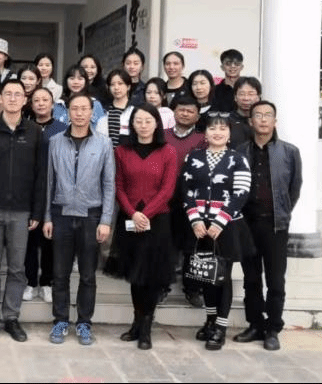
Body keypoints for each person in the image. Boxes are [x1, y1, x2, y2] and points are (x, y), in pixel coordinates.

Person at [0, 79, 45, 343]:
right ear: (0, 99)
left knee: (17, 268)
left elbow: (41, 176)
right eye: (8, 94)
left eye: (18, 94)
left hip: (22, 212)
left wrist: (37, 212)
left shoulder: (35, 132)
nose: (13, 98)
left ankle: (11, 317)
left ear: (25, 100)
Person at [104, 103, 178, 351]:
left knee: (152, 276)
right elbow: (118, 186)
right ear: (132, 125)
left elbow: (168, 189)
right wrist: (133, 213)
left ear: (157, 123)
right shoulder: (122, 151)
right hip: (130, 218)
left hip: (157, 220)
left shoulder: (168, 151)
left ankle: (146, 327)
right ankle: (136, 323)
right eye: (139, 121)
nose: (144, 125)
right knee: (135, 274)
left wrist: (145, 214)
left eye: (148, 121)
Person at [43, 92, 115, 346]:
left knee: (87, 275)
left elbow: (109, 184)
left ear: (92, 113)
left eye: (85, 108)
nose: (80, 113)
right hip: (61, 214)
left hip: (91, 216)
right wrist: (47, 216)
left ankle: (84, 322)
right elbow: (49, 182)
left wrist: (105, 220)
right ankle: (61, 320)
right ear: (68, 112)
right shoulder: (55, 142)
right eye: (75, 108)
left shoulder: (104, 143)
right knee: (60, 274)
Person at [182, 112, 253, 351]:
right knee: (206, 275)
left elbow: (241, 193)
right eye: (213, 128)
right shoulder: (193, 157)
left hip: (227, 227)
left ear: (230, 133)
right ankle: (210, 320)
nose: (217, 132)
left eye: (223, 128)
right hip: (200, 227)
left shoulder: (238, 159)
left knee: (222, 277)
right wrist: (195, 220)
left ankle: (221, 327)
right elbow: (186, 190)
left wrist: (220, 221)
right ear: (205, 133)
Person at [235, 101, 302, 351]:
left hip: (275, 226)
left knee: (275, 280)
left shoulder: (289, 152)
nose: (263, 119)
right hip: (247, 224)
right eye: (258, 115)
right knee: (251, 279)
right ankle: (255, 324)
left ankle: (273, 328)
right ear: (250, 121)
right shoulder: (240, 151)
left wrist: (282, 211)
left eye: (268, 115)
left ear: (275, 121)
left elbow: (294, 188)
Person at [24, 87, 65, 303]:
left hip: (55, 190)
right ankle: (30, 282)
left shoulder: (61, 129)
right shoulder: (25, 126)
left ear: (53, 104)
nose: (40, 103)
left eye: (45, 100)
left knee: (50, 241)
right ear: (31, 104)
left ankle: (47, 282)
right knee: (30, 240)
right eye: (36, 100)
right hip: (29, 190)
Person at [165, 96, 207, 308]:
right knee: (166, 244)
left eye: (190, 111)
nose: (185, 114)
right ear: (174, 112)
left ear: (197, 116)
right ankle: (162, 286)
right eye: (181, 109)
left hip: (193, 200)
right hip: (166, 199)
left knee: (193, 246)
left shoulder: (203, 139)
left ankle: (192, 289)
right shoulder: (162, 135)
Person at [52, 65, 106, 130]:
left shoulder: (95, 104)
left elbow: (101, 129)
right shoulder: (59, 104)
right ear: (66, 81)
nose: (76, 82)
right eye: (72, 78)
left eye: (80, 79)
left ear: (86, 81)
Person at [96, 68, 134, 148]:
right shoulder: (104, 110)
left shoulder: (135, 110)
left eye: (120, 83)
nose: (116, 88)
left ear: (128, 86)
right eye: (112, 84)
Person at [228, 76, 261, 149]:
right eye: (242, 94)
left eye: (251, 94)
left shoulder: (263, 121)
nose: (246, 98)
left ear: (258, 97)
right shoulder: (226, 121)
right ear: (235, 97)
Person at [214, 49, 245, 113]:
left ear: (242, 67)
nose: (233, 66)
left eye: (237, 64)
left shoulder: (249, 89)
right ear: (222, 67)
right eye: (228, 64)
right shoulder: (214, 91)